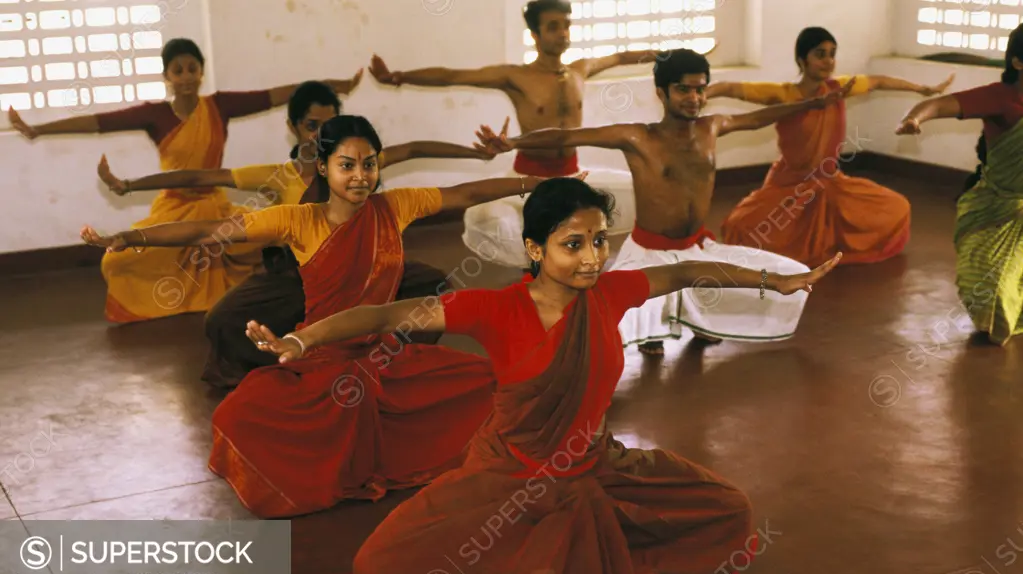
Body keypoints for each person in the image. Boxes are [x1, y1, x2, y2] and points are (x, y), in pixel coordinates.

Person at [245, 177, 841, 574]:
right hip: (510, 473)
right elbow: (380, 315)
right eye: (573, 244)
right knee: (383, 565)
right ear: (535, 249)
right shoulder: (492, 309)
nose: (592, 257)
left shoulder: (611, 294)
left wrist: (777, 281)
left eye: (600, 241)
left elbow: (686, 270)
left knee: (729, 510)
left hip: (596, 467)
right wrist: (303, 340)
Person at [81, 114, 569, 516]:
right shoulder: (300, 220)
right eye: (347, 165)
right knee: (236, 414)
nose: (360, 175)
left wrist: (540, 183)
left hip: (384, 357)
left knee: (493, 386)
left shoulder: (395, 206)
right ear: (325, 167)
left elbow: (465, 192)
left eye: (370, 164)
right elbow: (216, 228)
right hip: (319, 357)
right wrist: (134, 237)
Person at [97, 80, 501, 388]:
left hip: (372, 269)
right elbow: (201, 177)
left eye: (329, 124)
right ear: (295, 127)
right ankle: (282, 369)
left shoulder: (357, 161)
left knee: (435, 286)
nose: (321, 133)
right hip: (294, 276)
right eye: (312, 125)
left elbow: (414, 150)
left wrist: (479, 153)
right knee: (222, 320)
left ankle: (389, 365)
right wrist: (130, 188)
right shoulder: (278, 177)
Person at [473, 48, 845, 355]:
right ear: (662, 93)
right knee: (595, 329)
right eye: (684, 90)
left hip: (696, 244)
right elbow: (572, 132)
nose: (695, 98)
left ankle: (699, 321)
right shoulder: (637, 137)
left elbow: (758, 118)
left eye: (701, 90)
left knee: (783, 273)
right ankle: (653, 328)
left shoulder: (712, 127)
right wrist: (514, 144)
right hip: (649, 250)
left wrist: (811, 103)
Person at [9, 38, 363, 324]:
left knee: (258, 239)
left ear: (202, 72)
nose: (187, 76)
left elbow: (278, 95)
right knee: (116, 261)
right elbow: (101, 121)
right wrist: (39, 129)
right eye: (178, 70)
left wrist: (335, 86)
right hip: (173, 206)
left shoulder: (220, 106)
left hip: (215, 203)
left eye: (193, 68)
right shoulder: (155, 115)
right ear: (167, 76)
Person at [368, 0, 672, 269]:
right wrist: (399, 78)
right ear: (536, 35)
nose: (563, 33)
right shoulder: (516, 76)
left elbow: (620, 58)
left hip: (571, 172)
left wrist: (668, 56)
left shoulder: (581, 69)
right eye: (553, 27)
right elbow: (452, 76)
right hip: (530, 176)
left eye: (566, 26)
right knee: (537, 241)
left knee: (610, 213)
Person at [707, 27, 953, 268]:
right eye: (820, 54)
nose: (828, 61)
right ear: (802, 60)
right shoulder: (783, 94)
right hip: (789, 184)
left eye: (832, 53)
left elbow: (878, 81)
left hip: (830, 181)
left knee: (898, 208)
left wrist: (922, 89)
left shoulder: (839, 89)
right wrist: (701, 93)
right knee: (743, 229)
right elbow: (730, 87)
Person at [895, 22, 1023, 347]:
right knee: (988, 295)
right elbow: (939, 104)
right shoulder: (1001, 97)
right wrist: (914, 118)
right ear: (1017, 62)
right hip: (997, 207)